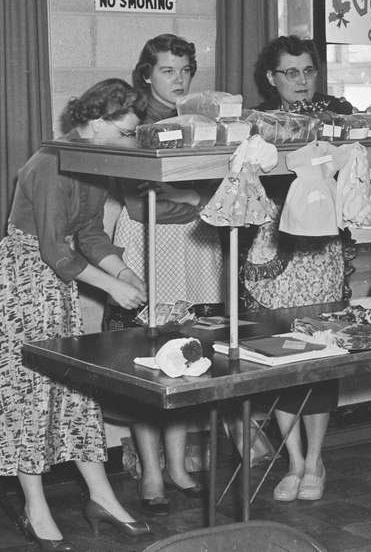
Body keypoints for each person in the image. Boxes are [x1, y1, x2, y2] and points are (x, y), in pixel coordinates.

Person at [0, 78, 152, 550]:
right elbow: (53, 250)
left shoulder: (94, 163)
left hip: (56, 290)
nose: (129, 143)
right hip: (20, 287)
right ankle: (35, 506)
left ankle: (101, 496)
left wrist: (125, 274)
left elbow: (89, 233)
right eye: (124, 133)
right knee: (24, 397)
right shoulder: (48, 164)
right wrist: (110, 288)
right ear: (92, 124)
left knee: (71, 391)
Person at [238, 35, 355, 503]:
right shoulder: (258, 123)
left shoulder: (338, 114)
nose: (302, 81)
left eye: (308, 71)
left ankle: (317, 460)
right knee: (278, 354)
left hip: (320, 250)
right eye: (291, 72)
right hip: (272, 252)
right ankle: (294, 460)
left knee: (319, 353)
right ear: (272, 78)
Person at [115, 34, 221, 515]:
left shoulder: (202, 117)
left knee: (187, 348)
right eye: (167, 71)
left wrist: (201, 202)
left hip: (192, 246)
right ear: (146, 75)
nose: (178, 80)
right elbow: (140, 206)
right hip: (151, 240)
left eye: (184, 70)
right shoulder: (136, 122)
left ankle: (178, 466)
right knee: (146, 352)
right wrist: (197, 203)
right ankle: (152, 470)